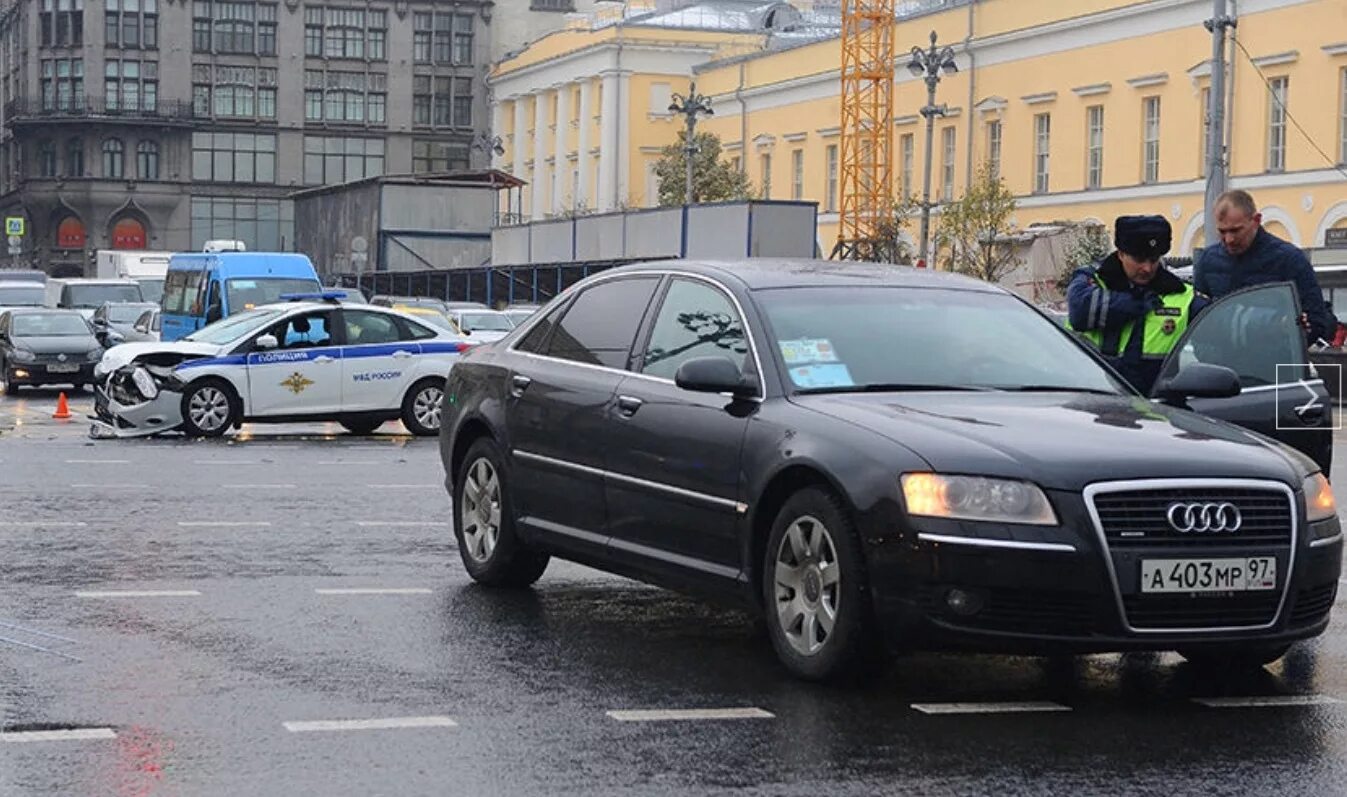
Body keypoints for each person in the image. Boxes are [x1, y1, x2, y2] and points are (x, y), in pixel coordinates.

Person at [1067, 215, 1208, 394]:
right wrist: (1137, 304)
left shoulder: (1182, 295)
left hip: (1158, 410)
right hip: (1094, 405)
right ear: (1121, 254)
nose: (1147, 268)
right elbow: (1080, 312)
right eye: (1139, 260)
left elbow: (1216, 341)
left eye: (1154, 260)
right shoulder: (1091, 282)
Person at [1194, 189, 1336, 345]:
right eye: (1222, 231)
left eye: (1236, 230)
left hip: (1272, 362)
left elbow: (1315, 321)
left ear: (1256, 220)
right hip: (1219, 362)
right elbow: (1199, 318)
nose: (1229, 239)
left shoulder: (1289, 259)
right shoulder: (1208, 261)